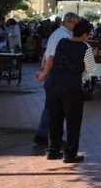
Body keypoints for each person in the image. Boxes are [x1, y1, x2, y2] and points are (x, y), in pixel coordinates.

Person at [35, 18, 96, 163]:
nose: (89, 37)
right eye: (89, 34)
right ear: (84, 34)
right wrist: (93, 55)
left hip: (53, 85)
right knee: (73, 122)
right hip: (72, 88)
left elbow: (51, 58)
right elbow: (91, 70)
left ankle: (53, 150)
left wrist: (44, 74)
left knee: (55, 119)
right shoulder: (86, 48)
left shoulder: (62, 42)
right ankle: (70, 154)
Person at [34, 13, 79, 145]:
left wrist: (44, 71)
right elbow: (51, 57)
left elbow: (47, 55)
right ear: (69, 22)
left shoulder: (59, 33)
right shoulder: (62, 36)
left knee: (51, 107)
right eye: (76, 24)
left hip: (54, 74)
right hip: (57, 75)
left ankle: (43, 135)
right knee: (54, 108)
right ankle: (46, 136)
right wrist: (45, 73)